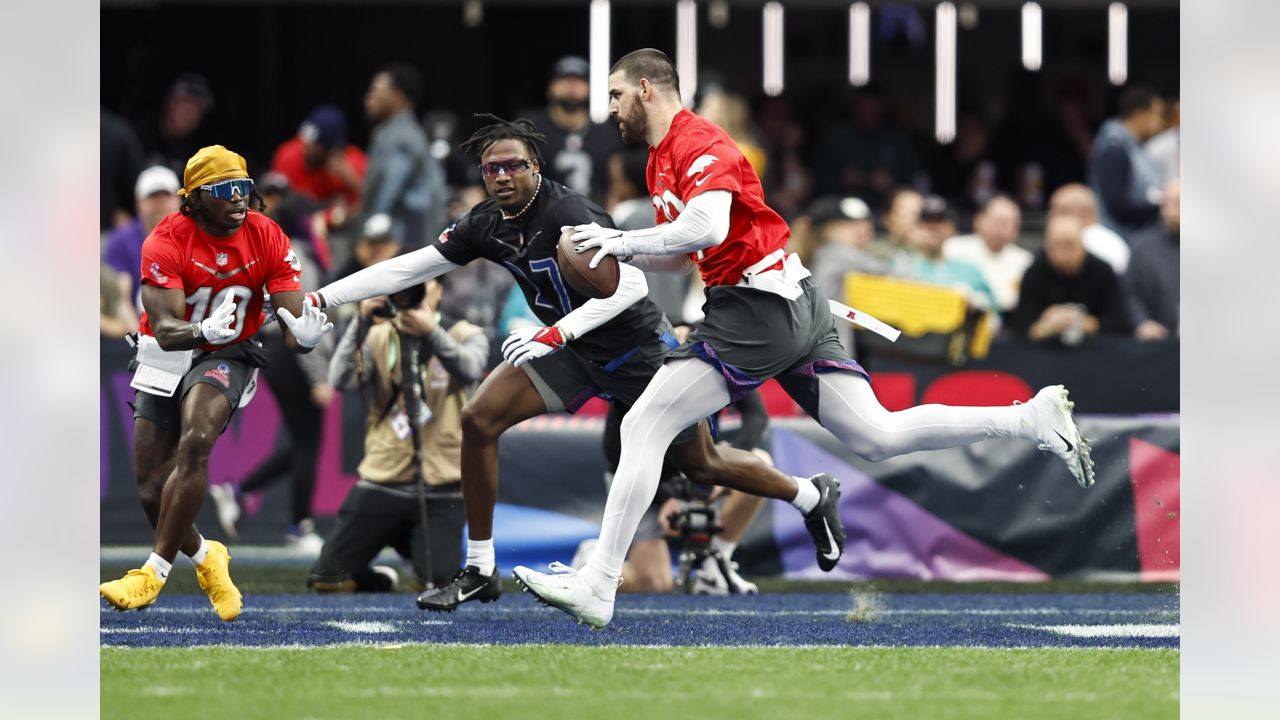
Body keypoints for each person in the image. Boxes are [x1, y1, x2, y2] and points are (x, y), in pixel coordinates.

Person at [512, 49, 1096, 629]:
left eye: (614, 94)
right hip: (785, 299)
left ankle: (599, 584)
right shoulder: (660, 158)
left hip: (757, 307)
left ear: (645, 89)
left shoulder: (699, 142)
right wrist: (619, 249)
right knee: (875, 434)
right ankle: (1028, 419)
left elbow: (708, 226)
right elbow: (685, 256)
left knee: (644, 425)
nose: (608, 108)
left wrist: (619, 242)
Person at [308, 114, 845, 613]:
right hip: (573, 352)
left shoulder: (569, 213)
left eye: (513, 165)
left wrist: (554, 332)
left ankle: (807, 493)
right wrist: (324, 299)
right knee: (479, 419)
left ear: (535, 167)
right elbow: (411, 266)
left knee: (703, 463)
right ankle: (479, 567)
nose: (501, 176)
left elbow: (631, 283)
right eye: (491, 168)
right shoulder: (485, 222)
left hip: (635, 350)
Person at [99, 145, 333, 619]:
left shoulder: (266, 234)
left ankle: (152, 573)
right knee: (150, 487)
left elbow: (293, 318)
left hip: (229, 351)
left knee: (198, 437)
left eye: (243, 187)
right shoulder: (166, 239)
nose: (239, 199)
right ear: (194, 198)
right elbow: (165, 329)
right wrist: (200, 329)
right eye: (225, 190)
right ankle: (208, 557)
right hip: (169, 349)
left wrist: (303, 336)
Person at [309, 277, 487, 592]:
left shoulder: (466, 334)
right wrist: (360, 321)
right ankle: (380, 580)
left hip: (441, 487)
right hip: (383, 479)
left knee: (436, 584)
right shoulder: (380, 335)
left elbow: (470, 369)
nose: (413, 292)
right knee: (327, 581)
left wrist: (431, 332)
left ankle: (422, 556)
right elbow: (338, 379)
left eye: (423, 284)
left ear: (440, 290)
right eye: (406, 286)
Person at [1007, 216, 1132, 344]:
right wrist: (1046, 326)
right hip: (1046, 354)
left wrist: (1085, 323)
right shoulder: (1035, 272)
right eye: (1057, 246)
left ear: (1082, 245)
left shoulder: (1102, 271)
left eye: (1070, 245)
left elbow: (1121, 323)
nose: (1064, 255)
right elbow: (1021, 328)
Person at [363, 62, 448, 250]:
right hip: (402, 233)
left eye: (377, 90)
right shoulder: (393, 131)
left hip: (404, 236)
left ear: (398, 96)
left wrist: (374, 225)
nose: (370, 97)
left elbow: (391, 186)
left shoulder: (403, 136)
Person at [519, 55, 623, 203]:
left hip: (593, 219)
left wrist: (609, 221)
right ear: (550, 87)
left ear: (589, 88)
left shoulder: (605, 133)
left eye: (579, 80)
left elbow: (617, 184)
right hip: (540, 219)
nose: (571, 85)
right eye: (564, 79)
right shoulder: (530, 128)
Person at [270, 104, 368, 230]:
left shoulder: (353, 162)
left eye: (315, 143)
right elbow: (274, 204)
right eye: (306, 139)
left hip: (342, 233)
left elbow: (372, 205)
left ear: (332, 148)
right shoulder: (287, 155)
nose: (306, 146)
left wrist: (353, 181)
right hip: (294, 230)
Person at [1088, 85, 1167, 239]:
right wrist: (1160, 207)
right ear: (1139, 114)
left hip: (1136, 236)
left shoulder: (1134, 147)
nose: (1160, 123)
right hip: (1120, 238)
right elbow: (1118, 205)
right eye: (1157, 115)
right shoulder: (1114, 149)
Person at [103, 166, 183, 314]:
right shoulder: (119, 241)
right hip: (135, 326)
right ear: (138, 202)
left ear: (178, 199)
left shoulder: (196, 236)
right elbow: (117, 297)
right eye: (152, 197)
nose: (160, 203)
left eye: (166, 196)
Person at [942, 194, 1033, 313]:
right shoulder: (952, 248)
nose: (1001, 229)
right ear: (978, 221)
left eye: (1009, 223)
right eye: (997, 221)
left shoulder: (1025, 261)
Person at [1124, 180, 1180, 341]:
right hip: (1160, 344)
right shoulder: (1142, 248)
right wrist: (1142, 323)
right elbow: (1129, 293)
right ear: (1163, 206)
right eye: (1176, 202)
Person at [1047, 184, 1131, 276]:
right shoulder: (1112, 239)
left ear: (1085, 212)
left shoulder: (1090, 242)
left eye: (1062, 210)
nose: (1052, 216)